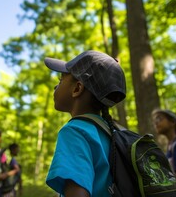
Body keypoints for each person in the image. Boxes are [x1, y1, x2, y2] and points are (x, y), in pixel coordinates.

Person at [44, 50, 126, 197]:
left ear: (77, 89)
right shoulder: (114, 133)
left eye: (61, 80)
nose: (55, 87)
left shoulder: (75, 131)